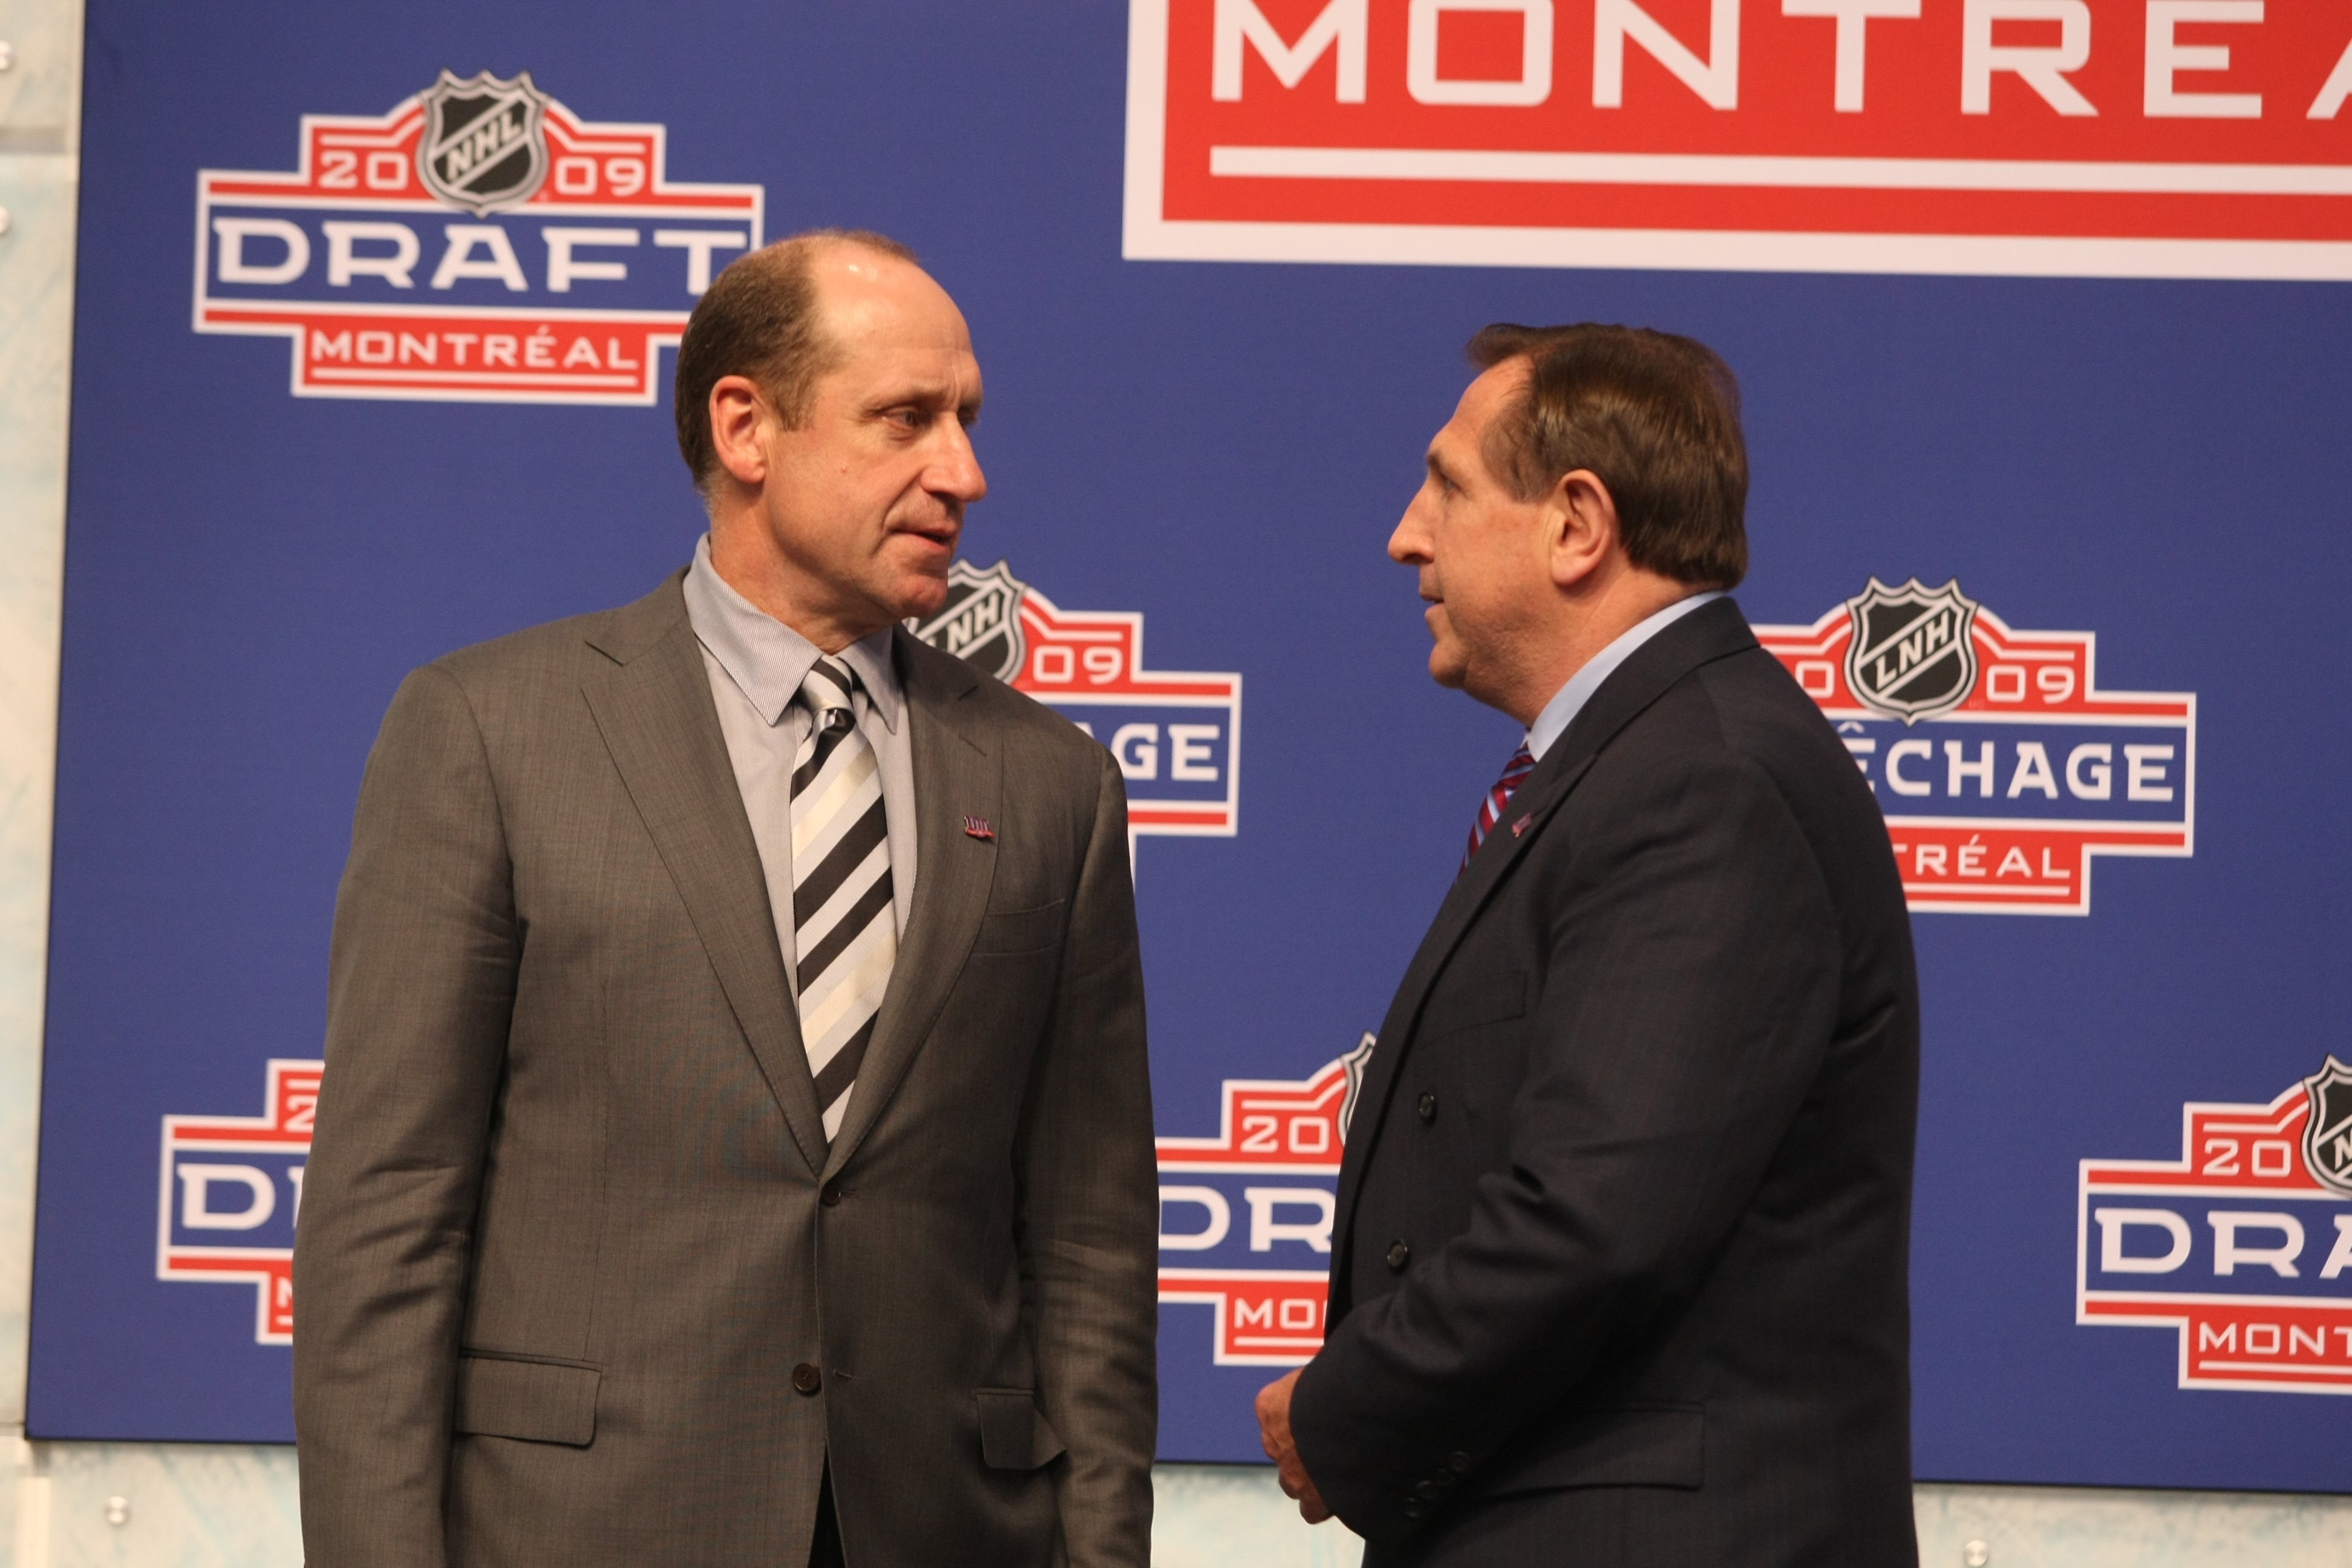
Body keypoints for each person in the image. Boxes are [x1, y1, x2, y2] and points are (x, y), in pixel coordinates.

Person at [293, 230, 1157, 1568]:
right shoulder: (490, 730)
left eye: (968, 423)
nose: (964, 474)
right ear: (747, 427)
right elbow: (386, 1215)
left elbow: (1092, 1250)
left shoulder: (1055, 785)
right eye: (906, 420)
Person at [1255, 324, 1919, 1565]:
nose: (1408, 533)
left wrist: (1346, 1408)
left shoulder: (1700, 782)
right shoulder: (1650, 761)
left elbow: (1594, 1221)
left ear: (1577, 525)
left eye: (1448, 485)